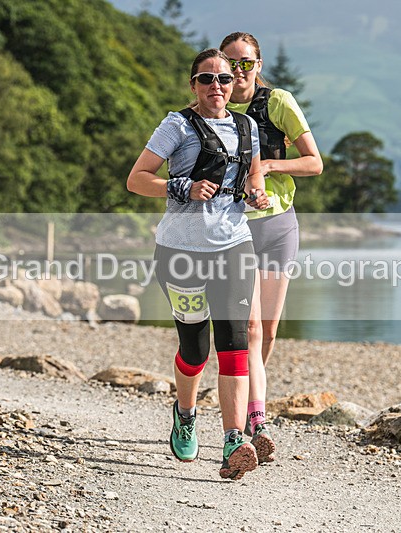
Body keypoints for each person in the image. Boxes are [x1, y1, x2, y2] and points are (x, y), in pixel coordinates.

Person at [126, 48, 270, 480]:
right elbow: (137, 180)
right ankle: (185, 412)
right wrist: (182, 186)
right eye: (206, 79)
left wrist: (256, 194)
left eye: (224, 79)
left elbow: (254, 175)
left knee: (235, 344)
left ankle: (233, 440)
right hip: (181, 253)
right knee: (195, 350)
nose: (216, 87)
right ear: (193, 85)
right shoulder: (177, 125)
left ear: (235, 85)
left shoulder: (247, 127)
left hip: (234, 248)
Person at [219, 32, 324, 463]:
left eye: (246, 63)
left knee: (269, 328)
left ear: (258, 65)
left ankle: (247, 399)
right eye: (230, 63)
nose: (238, 72)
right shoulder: (214, 105)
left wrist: (267, 164)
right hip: (234, 229)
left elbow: (314, 162)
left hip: (279, 226)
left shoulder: (277, 101)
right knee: (250, 328)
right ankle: (253, 414)